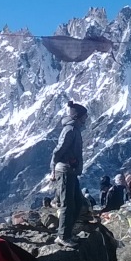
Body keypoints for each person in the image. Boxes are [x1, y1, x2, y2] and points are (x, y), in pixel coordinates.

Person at [50, 101, 88, 248]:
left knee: (78, 203)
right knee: (67, 204)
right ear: (78, 117)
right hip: (65, 170)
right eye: (85, 116)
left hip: (71, 171)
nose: (86, 119)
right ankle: (63, 236)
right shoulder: (70, 130)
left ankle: (66, 232)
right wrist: (53, 168)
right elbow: (58, 150)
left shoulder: (75, 129)